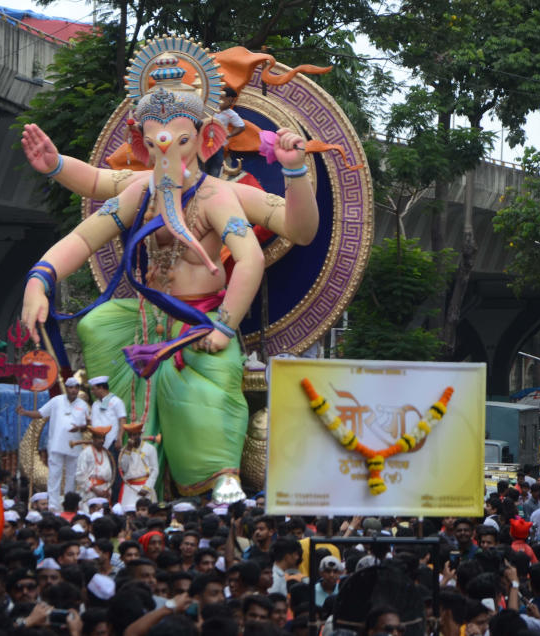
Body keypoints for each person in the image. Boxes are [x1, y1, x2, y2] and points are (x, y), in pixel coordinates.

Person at [19, 40, 318, 504]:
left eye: (180, 142)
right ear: (142, 143)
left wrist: (295, 173)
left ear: (205, 140)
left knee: (211, 389)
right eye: (156, 144)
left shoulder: (218, 197)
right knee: (97, 324)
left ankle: (221, 481)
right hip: (143, 319)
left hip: (200, 325)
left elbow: (281, 242)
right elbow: (85, 231)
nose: (168, 157)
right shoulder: (141, 188)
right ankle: (120, 471)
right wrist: (39, 279)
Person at [18, 377, 90, 512]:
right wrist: (25, 412)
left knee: (71, 476)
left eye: (76, 388)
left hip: (74, 446)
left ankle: (69, 504)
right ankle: (53, 505)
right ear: (67, 388)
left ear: (78, 389)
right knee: (54, 475)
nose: (73, 390)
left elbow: (87, 426)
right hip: (56, 445)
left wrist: (80, 428)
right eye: (71, 387)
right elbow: (40, 413)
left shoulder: (84, 405)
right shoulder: (56, 401)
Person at [204, 86, 245, 177]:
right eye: (229, 100)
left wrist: (229, 135)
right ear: (222, 98)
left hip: (218, 146)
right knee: (202, 169)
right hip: (203, 144)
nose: (231, 103)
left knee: (215, 170)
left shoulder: (231, 114)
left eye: (232, 101)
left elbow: (241, 126)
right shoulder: (211, 106)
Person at [119, 422, 159, 509]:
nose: (132, 438)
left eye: (135, 435)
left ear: (140, 434)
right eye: (130, 435)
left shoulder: (150, 449)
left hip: (145, 487)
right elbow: (124, 468)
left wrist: (147, 487)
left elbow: (155, 470)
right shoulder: (124, 450)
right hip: (130, 488)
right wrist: (128, 451)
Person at [75, 426, 115, 508]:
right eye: (99, 438)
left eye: (104, 438)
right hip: (90, 493)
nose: (102, 441)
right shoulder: (86, 453)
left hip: (104, 493)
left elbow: (109, 477)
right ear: (93, 438)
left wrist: (107, 490)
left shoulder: (105, 453)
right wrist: (95, 490)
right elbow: (80, 476)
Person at [88, 376, 127, 452]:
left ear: (101, 388)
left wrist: (119, 438)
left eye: (93, 389)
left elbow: (122, 420)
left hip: (112, 441)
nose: (92, 392)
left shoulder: (116, 401)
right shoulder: (95, 404)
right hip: (97, 443)